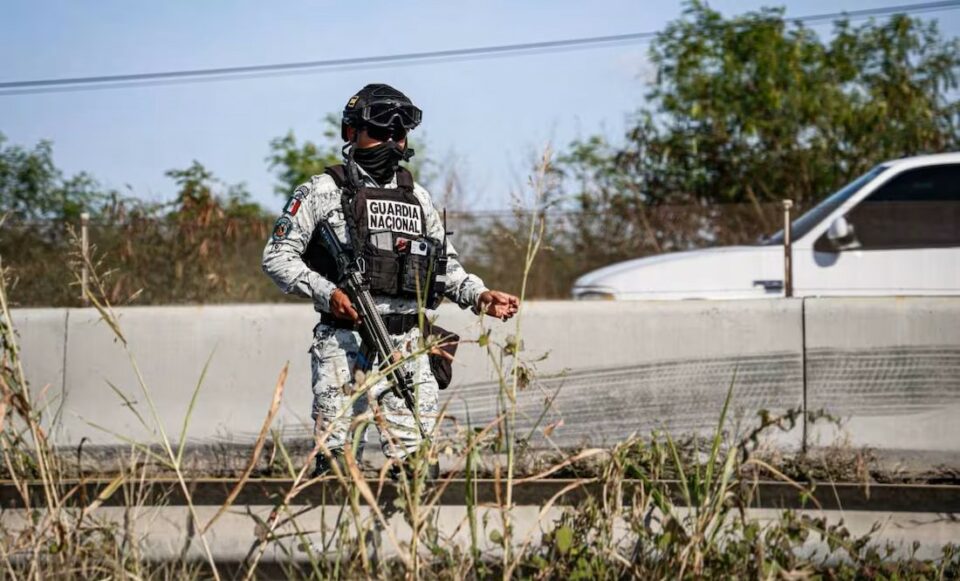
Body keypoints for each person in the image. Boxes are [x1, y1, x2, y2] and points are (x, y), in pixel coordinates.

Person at [262, 83, 519, 478]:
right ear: (351, 132)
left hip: (408, 348)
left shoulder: (417, 197)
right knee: (337, 469)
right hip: (345, 345)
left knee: (419, 472)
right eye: (380, 132)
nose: (391, 142)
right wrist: (329, 293)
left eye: (399, 135)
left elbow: (445, 266)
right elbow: (277, 256)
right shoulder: (322, 191)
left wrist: (480, 295)